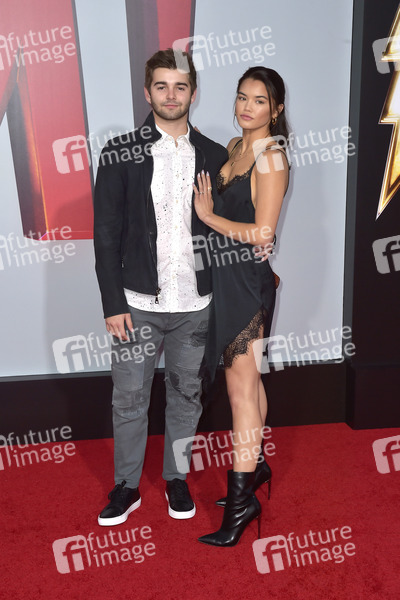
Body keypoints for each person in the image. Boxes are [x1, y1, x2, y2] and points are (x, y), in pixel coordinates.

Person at [93, 48, 228, 526]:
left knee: (186, 395)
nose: (172, 95)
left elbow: (225, 229)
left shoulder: (215, 154)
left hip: (196, 303)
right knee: (129, 398)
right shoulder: (120, 152)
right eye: (162, 86)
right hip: (136, 303)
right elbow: (105, 235)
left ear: (193, 92)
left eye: (181, 86)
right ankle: (126, 487)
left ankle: (176, 478)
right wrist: (113, 302)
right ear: (148, 92)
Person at [193, 66, 290, 546]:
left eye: (259, 100)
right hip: (226, 280)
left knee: (240, 393)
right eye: (242, 97)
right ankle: (256, 469)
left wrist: (209, 216)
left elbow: (264, 232)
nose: (247, 107)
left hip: (246, 286)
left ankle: (240, 507)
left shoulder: (271, 157)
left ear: (276, 109)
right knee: (248, 385)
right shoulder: (235, 148)